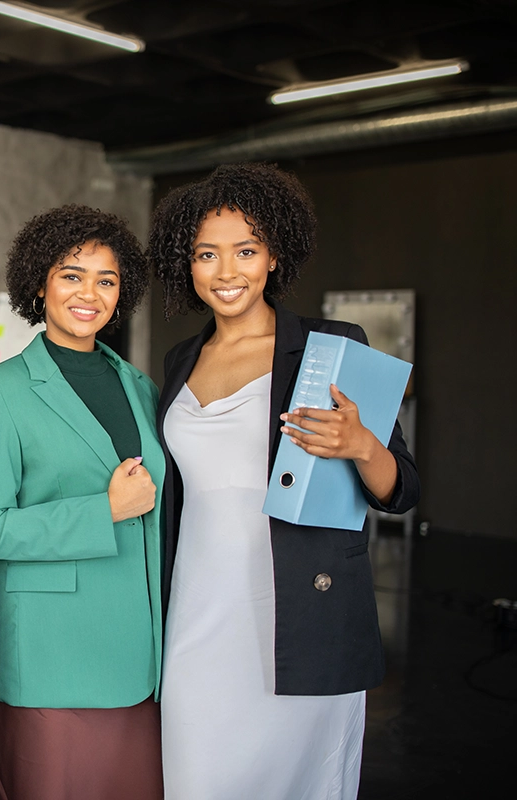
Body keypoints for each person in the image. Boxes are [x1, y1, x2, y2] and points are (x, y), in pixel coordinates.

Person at [147, 162, 420, 800]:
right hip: (196, 610)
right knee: (196, 778)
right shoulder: (180, 359)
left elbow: (402, 488)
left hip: (300, 611)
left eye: (246, 251)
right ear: (187, 265)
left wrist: (360, 445)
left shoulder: (329, 348)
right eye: (206, 255)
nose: (226, 271)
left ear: (274, 257)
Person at [0, 205, 165, 800]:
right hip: (50, 654)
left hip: (137, 651)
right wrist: (102, 511)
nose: (90, 293)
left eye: (107, 280)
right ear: (39, 284)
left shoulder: (139, 385)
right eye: (72, 275)